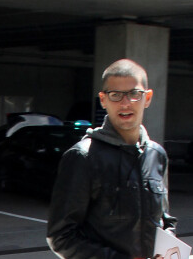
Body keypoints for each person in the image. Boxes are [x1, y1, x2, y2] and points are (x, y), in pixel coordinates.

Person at [47, 59, 177, 259]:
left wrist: (169, 252)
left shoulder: (157, 155)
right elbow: (61, 236)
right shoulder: (83, 157)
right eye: (115, 95)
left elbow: (165, 220)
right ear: (103, 99)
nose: (125, 103)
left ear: (148, 98)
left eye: (134, 94)